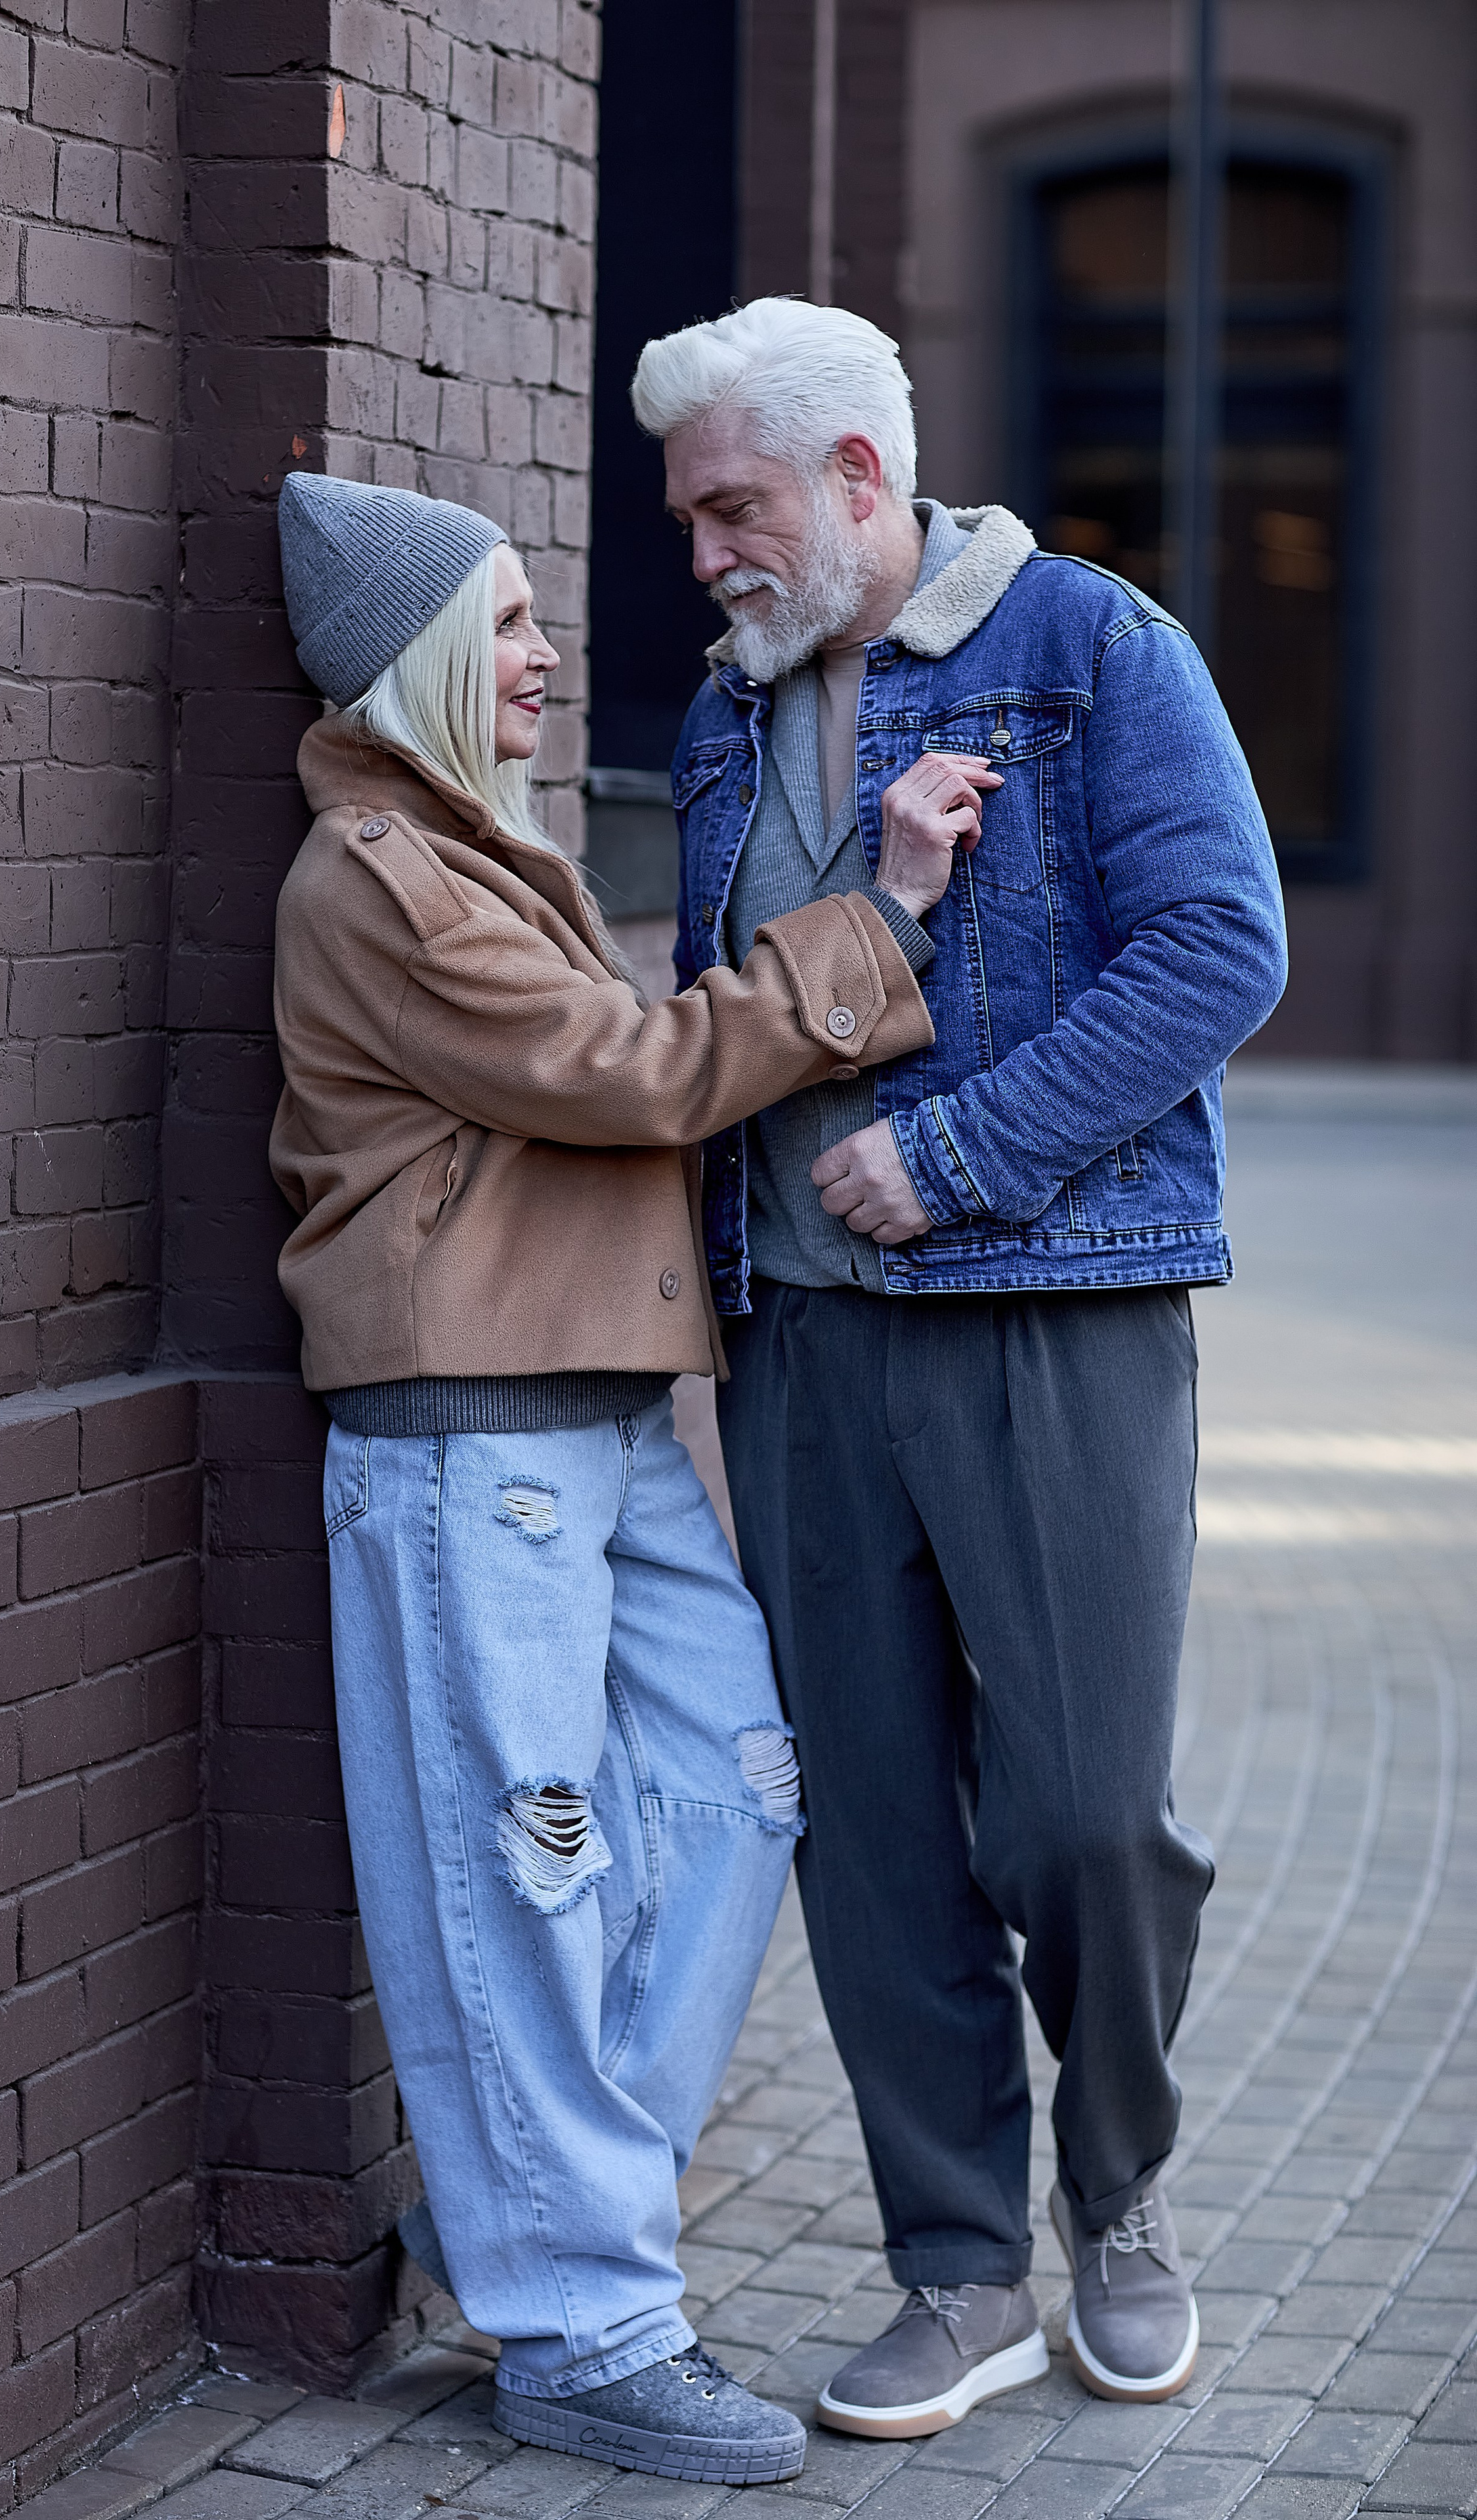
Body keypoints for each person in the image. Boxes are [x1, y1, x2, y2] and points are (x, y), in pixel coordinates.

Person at [267, 471, 972, 2483]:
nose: (546, 654)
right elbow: (635, 1074)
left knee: (742, 1783)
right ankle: (581, 2325)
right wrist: (883, 923)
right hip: (467, 1434)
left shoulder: (479, 851)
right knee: (527, 1866)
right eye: (501, 630)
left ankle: (558, 2213)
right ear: (418, 664)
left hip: (597, 1407)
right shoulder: (383, 878)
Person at [631, 298, 1289, 2438]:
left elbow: (1222, 946)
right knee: (879, 1834)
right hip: (801, 1352)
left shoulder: (1093, 648)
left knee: (1089, 1816)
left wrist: (974, 1152)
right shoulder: (727, 714)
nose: (707, 551)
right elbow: (724, 1013)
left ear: (850, 479)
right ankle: (958, 2263)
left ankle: (1120, 2199)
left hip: (1052, 1321)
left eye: (733, 504)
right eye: (688, 516)